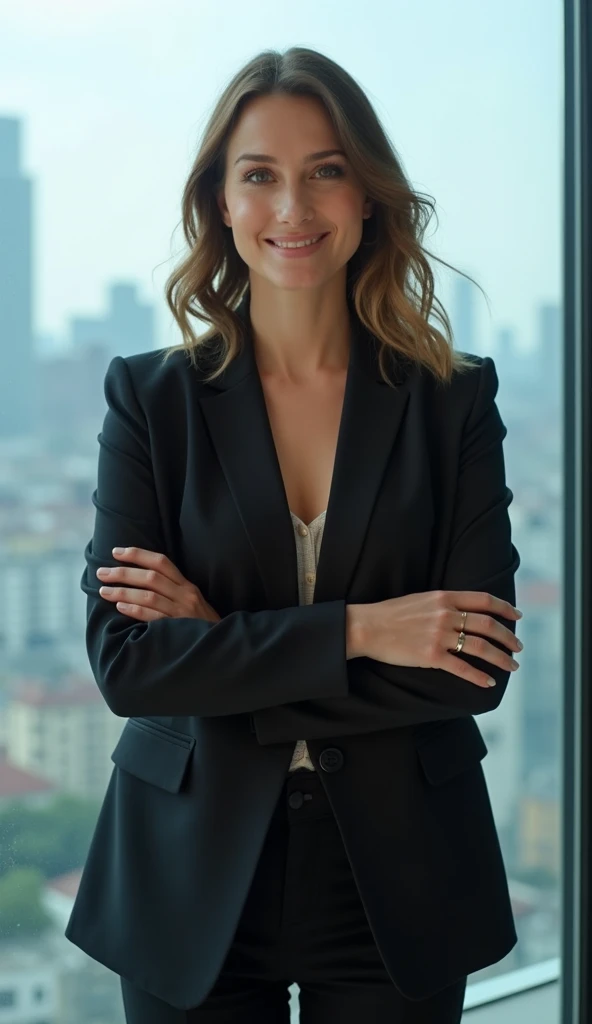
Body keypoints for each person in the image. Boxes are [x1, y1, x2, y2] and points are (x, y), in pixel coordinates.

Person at [64, 45, 523, 1023]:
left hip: (399, 878)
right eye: (260, 175)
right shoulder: (150, 400)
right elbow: (130, 668)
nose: (294, 208)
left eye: (325, 170)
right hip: (185, 872)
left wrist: (221, 639)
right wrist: (361, 630)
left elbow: (468, 671)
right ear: (221, 204)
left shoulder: (453, 402)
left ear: (368, 196)